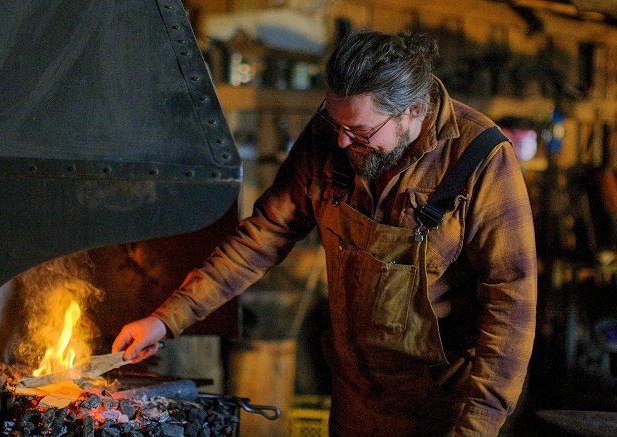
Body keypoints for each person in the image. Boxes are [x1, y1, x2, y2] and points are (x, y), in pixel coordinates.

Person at [113, 30, 537, 436]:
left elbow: (511, 306)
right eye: (335, 122)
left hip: (441, 409)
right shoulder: (332, 137)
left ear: (412, 109)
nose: (341, 141)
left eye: (361, 131)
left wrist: (477, 428)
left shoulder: (480, 159)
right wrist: (167, 319)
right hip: (354, 400)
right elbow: (262, 236)